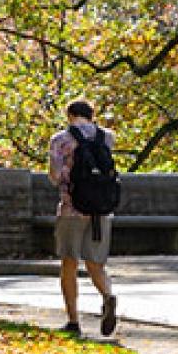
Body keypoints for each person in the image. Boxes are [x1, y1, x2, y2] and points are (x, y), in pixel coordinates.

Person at [47, 98, 118, 337]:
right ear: (91, 115)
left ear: (69, 115)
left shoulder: (60, 140)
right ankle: (108, 296)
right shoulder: (107, 137)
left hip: (71, 209)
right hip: (101, 210)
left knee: (69, 262)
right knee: (96, 264)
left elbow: (55, 176)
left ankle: (73, 321)